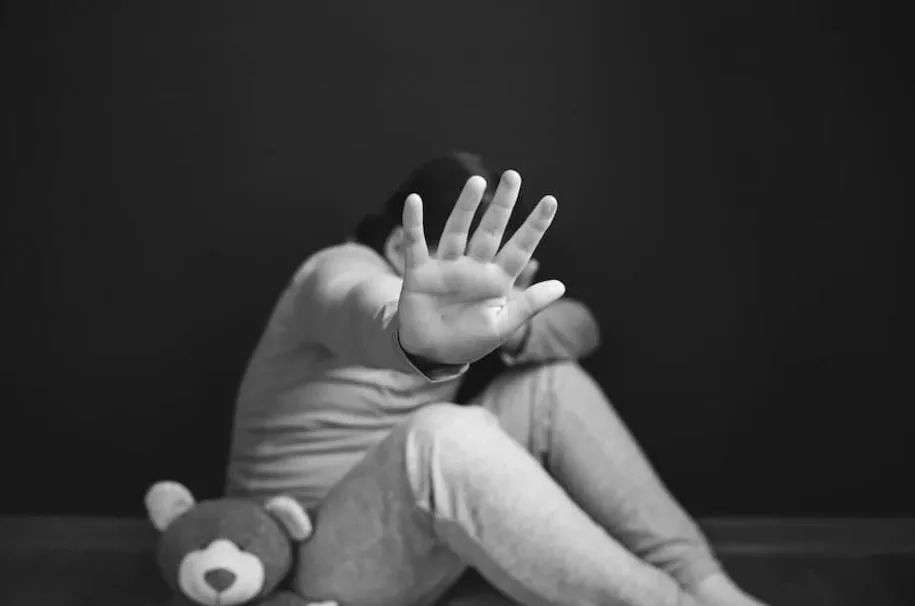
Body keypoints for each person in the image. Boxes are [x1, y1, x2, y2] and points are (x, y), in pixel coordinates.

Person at [226, 153, 765, 606]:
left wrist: (510, 326)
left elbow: (583, 326)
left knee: (548, 384)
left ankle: (711, 589)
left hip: (412, 537)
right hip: (304, 556)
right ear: (396, 251)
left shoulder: (484, 308)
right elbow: (357, 305)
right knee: (443, 436)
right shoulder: (334, 272)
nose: (486, 294)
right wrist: (413, 336)